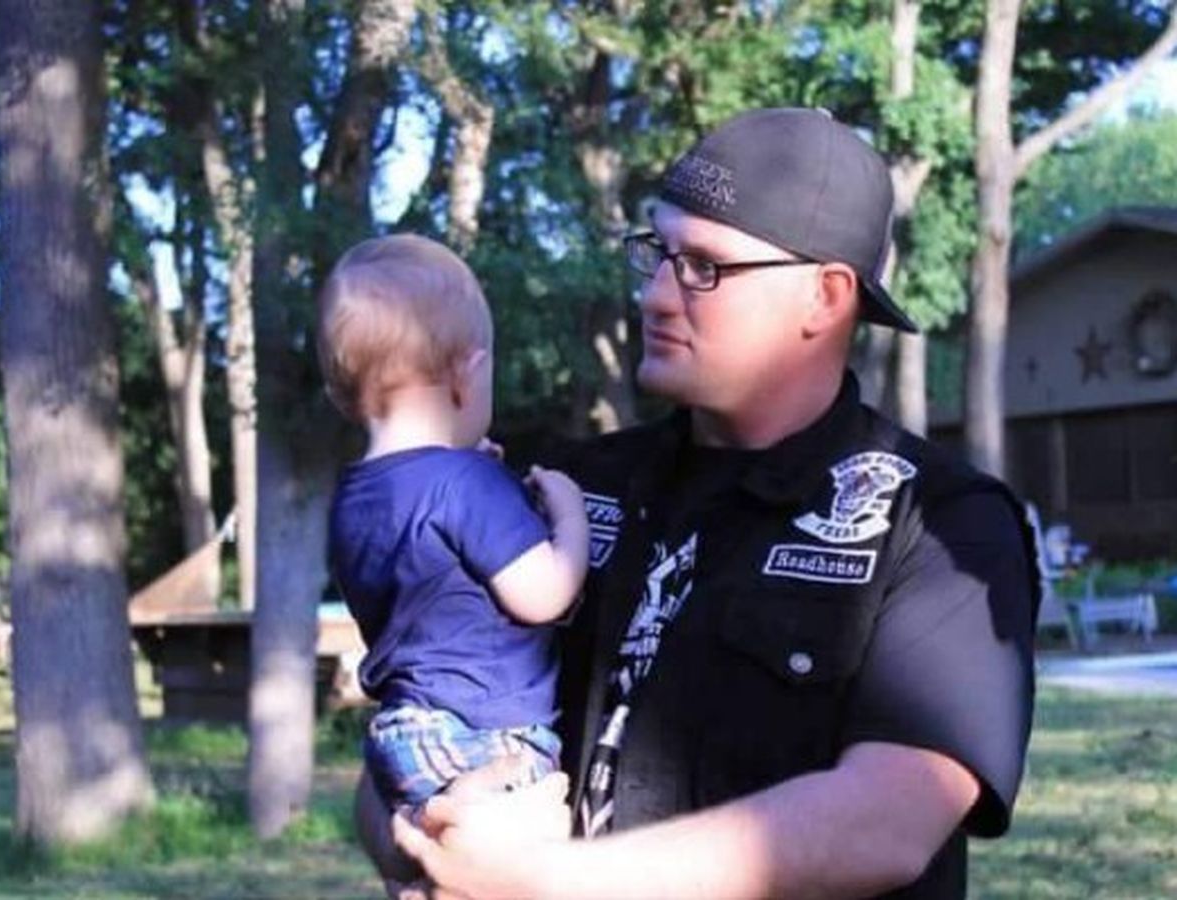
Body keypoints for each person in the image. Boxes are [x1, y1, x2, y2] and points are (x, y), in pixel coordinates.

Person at [376, 108, 1040, 899]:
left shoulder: (936, 521)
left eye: (704, 267)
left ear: (825, 297)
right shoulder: (566, 492)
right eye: (657, 253)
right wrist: (431, 838)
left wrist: (550, 882)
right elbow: (413, 718)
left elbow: (889, 820)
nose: (657, 295)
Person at [318, 235, 590, 856]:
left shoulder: (353, 499)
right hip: (485, 735)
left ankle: (422, 838)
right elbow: (545, 594)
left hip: (403, 734)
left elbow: (431, 566)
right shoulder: (468, 484)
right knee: (535, 843)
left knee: (433, 862)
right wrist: (570, 516)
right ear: (467, 375)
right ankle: (456, 821)